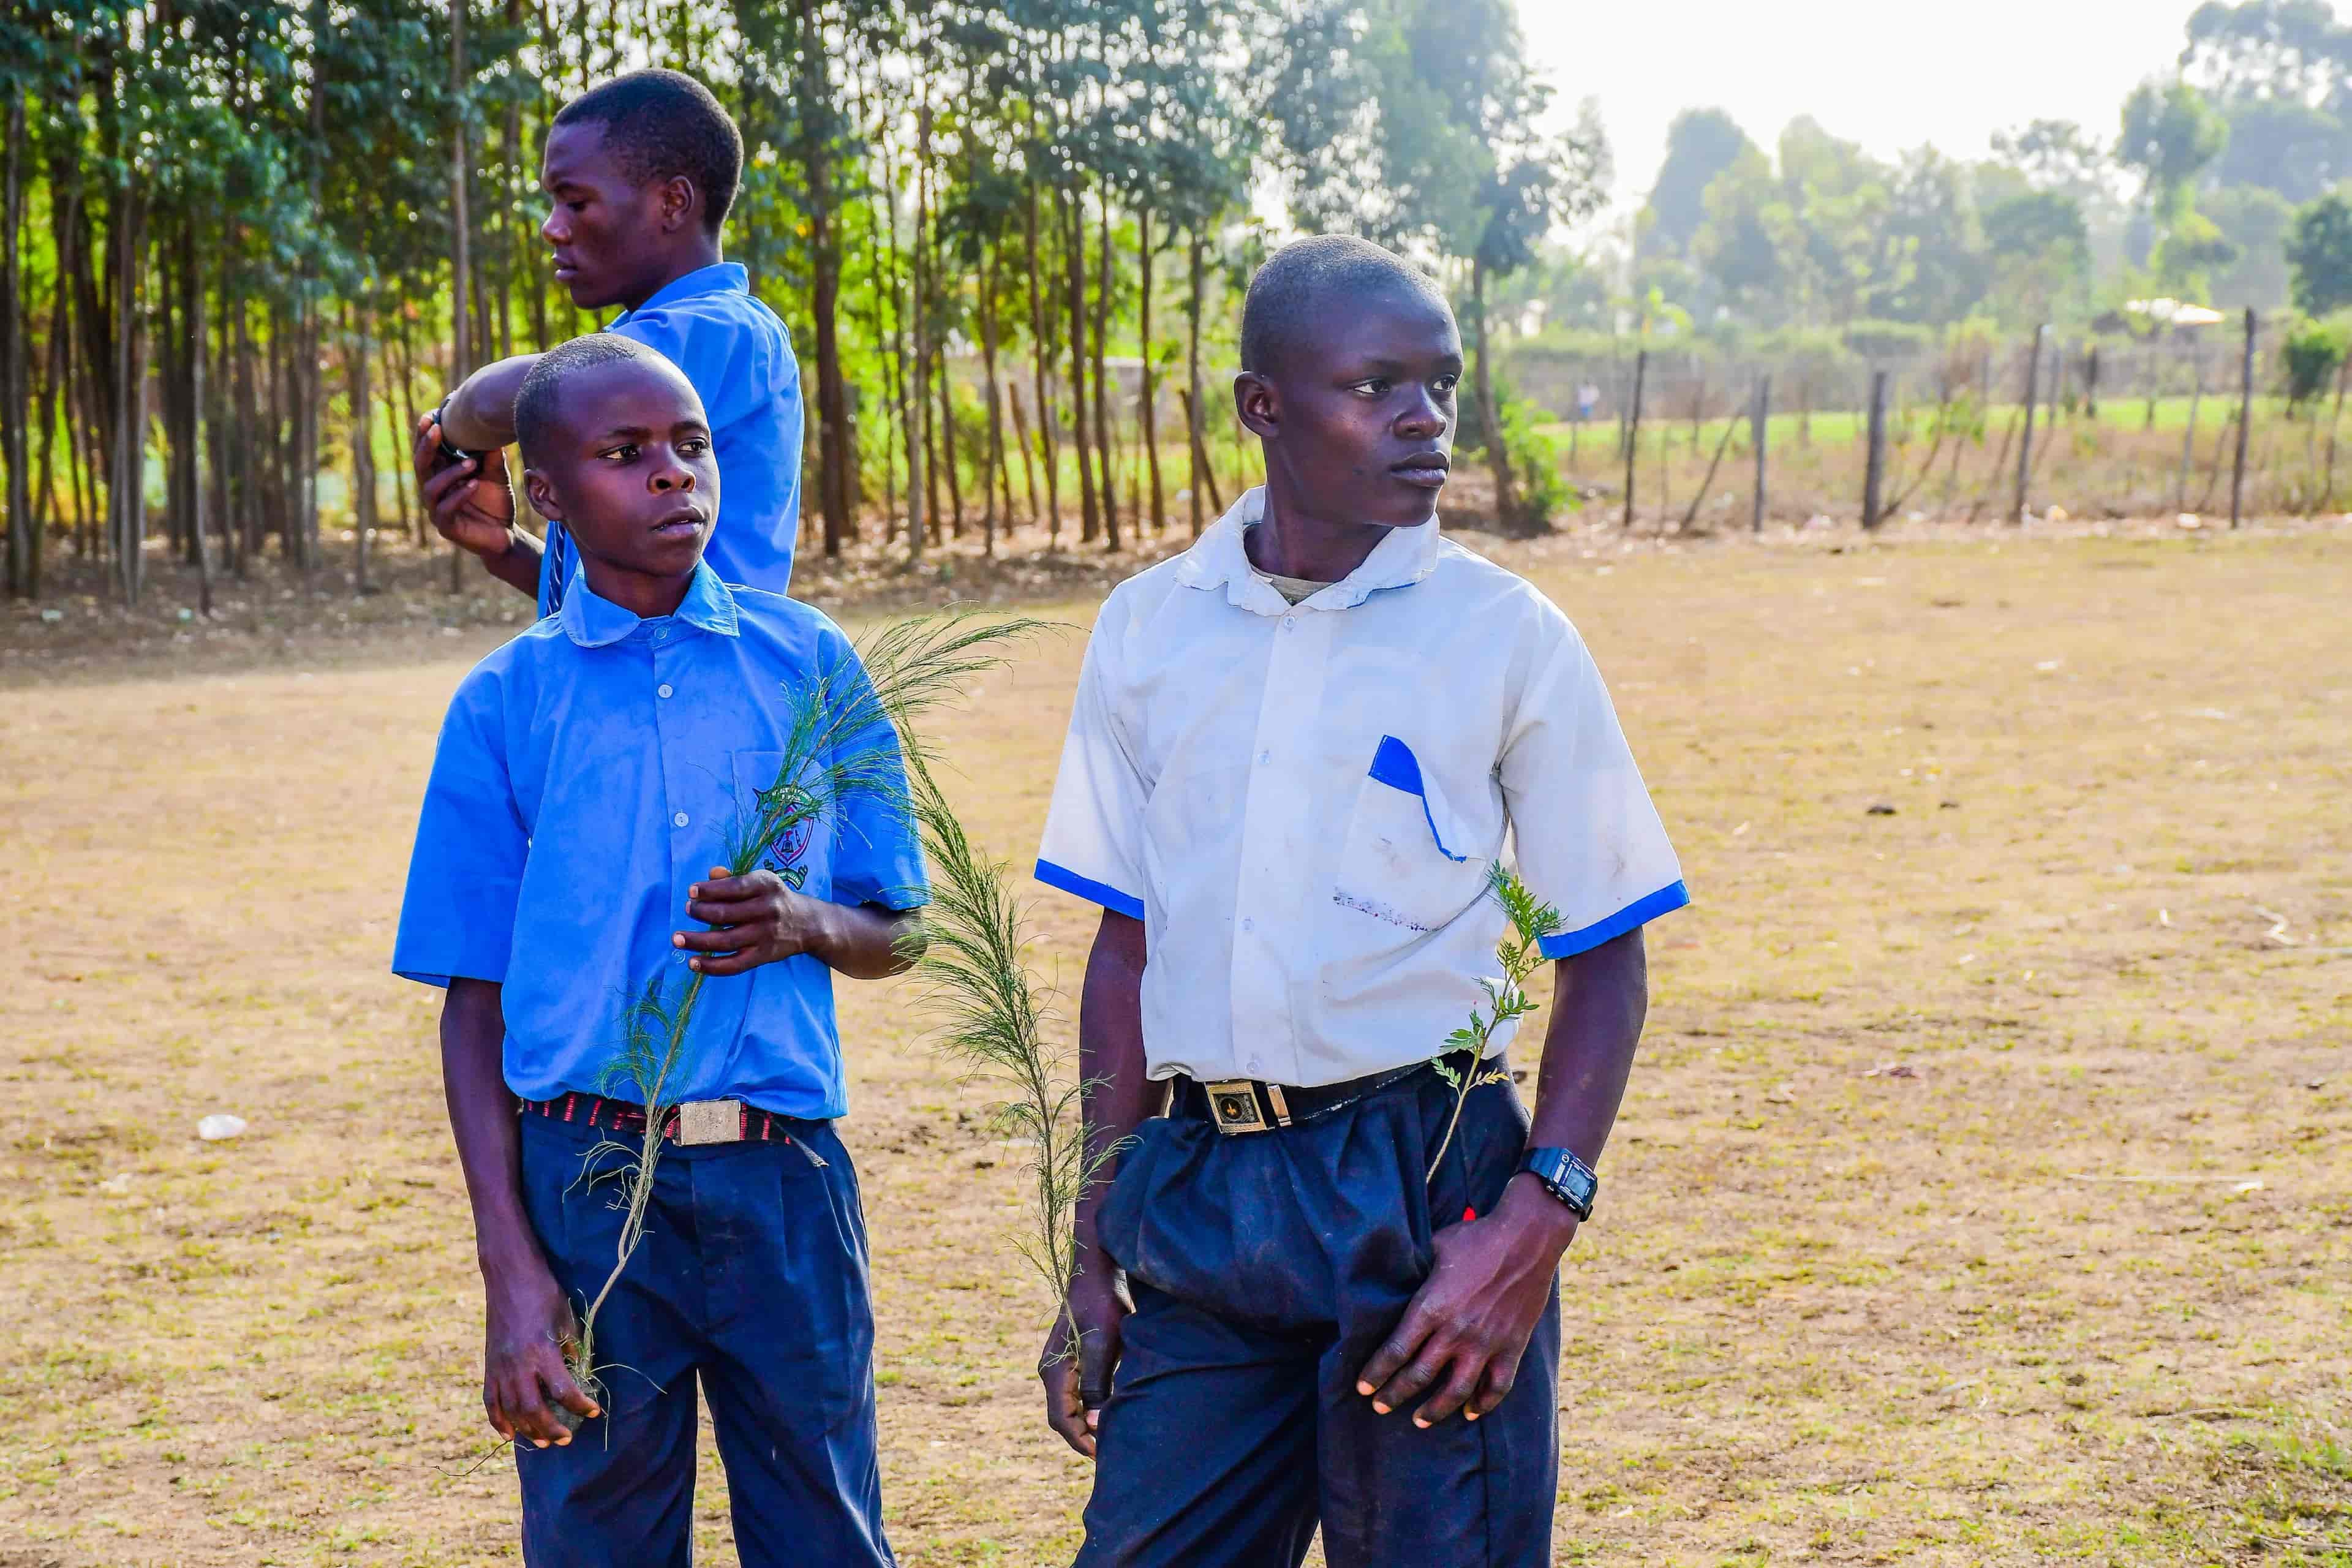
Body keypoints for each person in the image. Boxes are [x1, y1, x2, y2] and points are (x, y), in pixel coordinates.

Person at [1030, 235, 1689, 1567]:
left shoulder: (1503, 635)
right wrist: (1092, 1250)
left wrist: (1532, 1222)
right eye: (1376, 384)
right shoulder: (1149, 630)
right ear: (1262, 406)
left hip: (1427, 1190)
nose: (1424, 420)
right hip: (1204, 1191)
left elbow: (1605, 954)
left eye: (1440, 385)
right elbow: (1125, 950)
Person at [392, 334, 919, 1567]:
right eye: (626, 454)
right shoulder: (506, 703)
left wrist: (806, 923)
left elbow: (902, 923)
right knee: (598, 1541)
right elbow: (473, 1003)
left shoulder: (809, 664)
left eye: (690, 446)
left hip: (784, 1180)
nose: (674, 475)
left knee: (828, 1535)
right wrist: (511, 1267)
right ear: (549, 497)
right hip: (582, 1184)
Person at [414, 68, 804, 613]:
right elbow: (618, 619)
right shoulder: (653, 342)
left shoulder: (722, 329)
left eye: (575, 202)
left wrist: (448, 427)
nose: (552, 227)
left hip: (703, 692)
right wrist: (506, 549)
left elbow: (491, 401)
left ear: (672, 204)